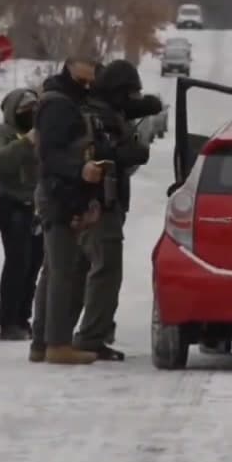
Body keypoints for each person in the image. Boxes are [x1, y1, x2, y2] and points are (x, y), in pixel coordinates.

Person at [71, 59, 163, 360]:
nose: (130, 102)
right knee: (105, 271)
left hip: (101, 202)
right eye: (128, 94)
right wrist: (131, 152)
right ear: (116, 91)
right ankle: (91, 336)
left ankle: (82, 332)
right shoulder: (96, 116)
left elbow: (129, 109)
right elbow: (99, 152)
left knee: (88, 271)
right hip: (98, 202)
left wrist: (149, 104)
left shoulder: (107, 108)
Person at [28, 54, 108, 365]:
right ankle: (57, 343)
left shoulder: (68, 99)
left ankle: (41, 342)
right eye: (85, 77)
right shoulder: (59, 105)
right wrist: (81, 170)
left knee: (53, 270)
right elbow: (50, 157)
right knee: (63, 271)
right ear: (71, 66)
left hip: (61, 195)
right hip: (58, 195)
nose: (89, 83)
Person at [0, 88, 42, 341]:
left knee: (34, 265)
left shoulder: (42, 131)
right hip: (14, 207)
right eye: (24, 110)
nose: (30, 114)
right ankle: (8, 321)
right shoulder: (5, 134)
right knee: (17, 264)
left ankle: (23, 318)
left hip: (39, 207)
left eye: (34, 109)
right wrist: (25, 142)